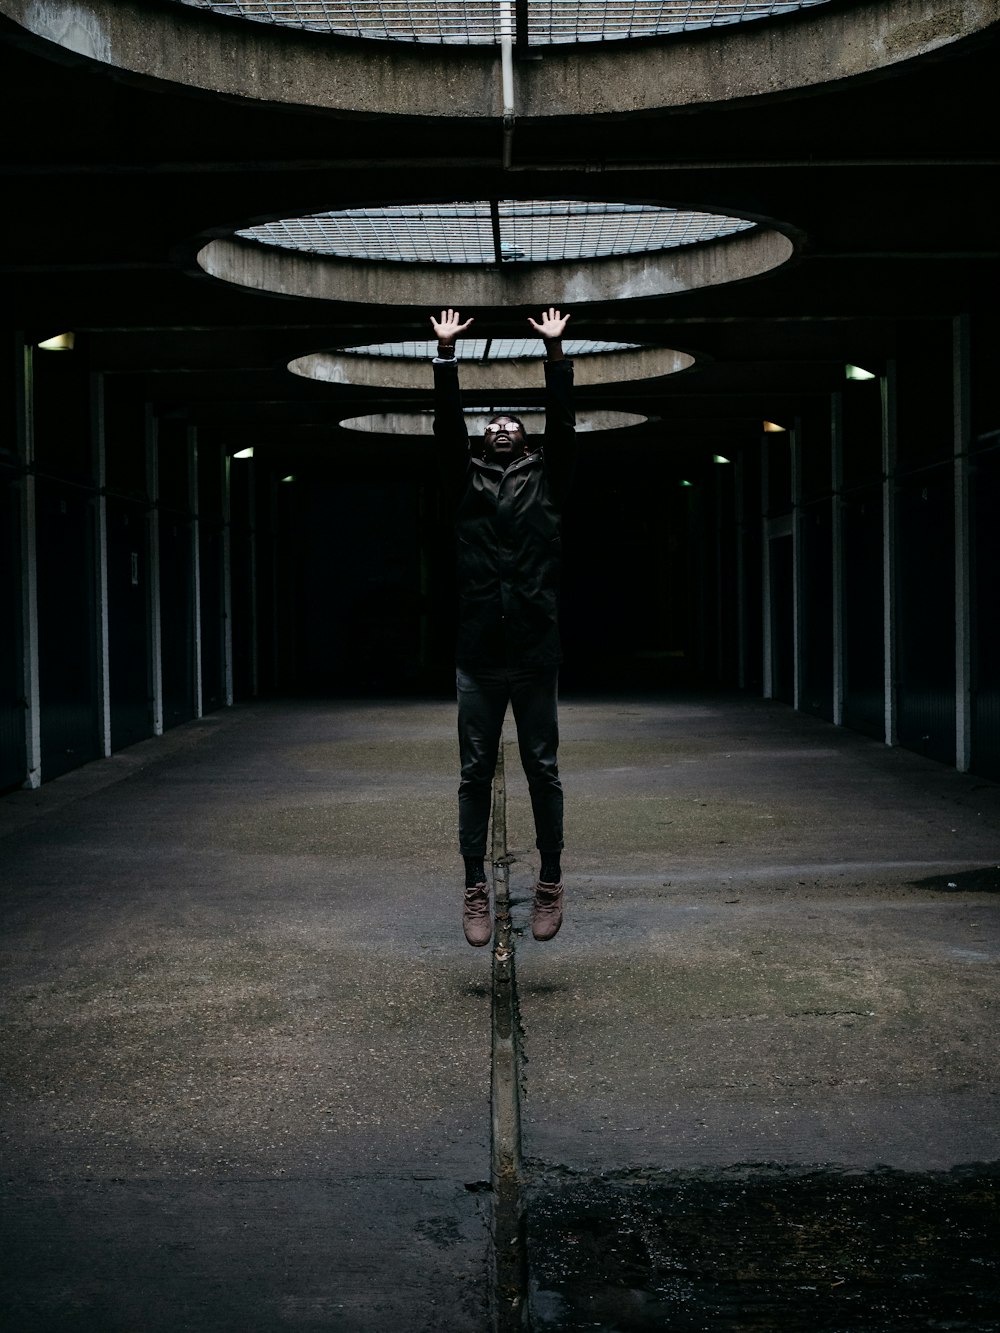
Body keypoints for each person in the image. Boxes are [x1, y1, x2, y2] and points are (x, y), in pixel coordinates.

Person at [430, 306, 576, 947]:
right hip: (478, 653)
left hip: (535, 648)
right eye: (492, 423)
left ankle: (549, 880)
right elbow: (444, 429)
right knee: (473, 773)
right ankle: (473, 888)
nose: (501, 426)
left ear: (527, 439)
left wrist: (555, 354)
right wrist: (446, 359)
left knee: (542, 769)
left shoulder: (549, 477)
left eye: (512, 423)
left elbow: (564, 425)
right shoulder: (462, 481)